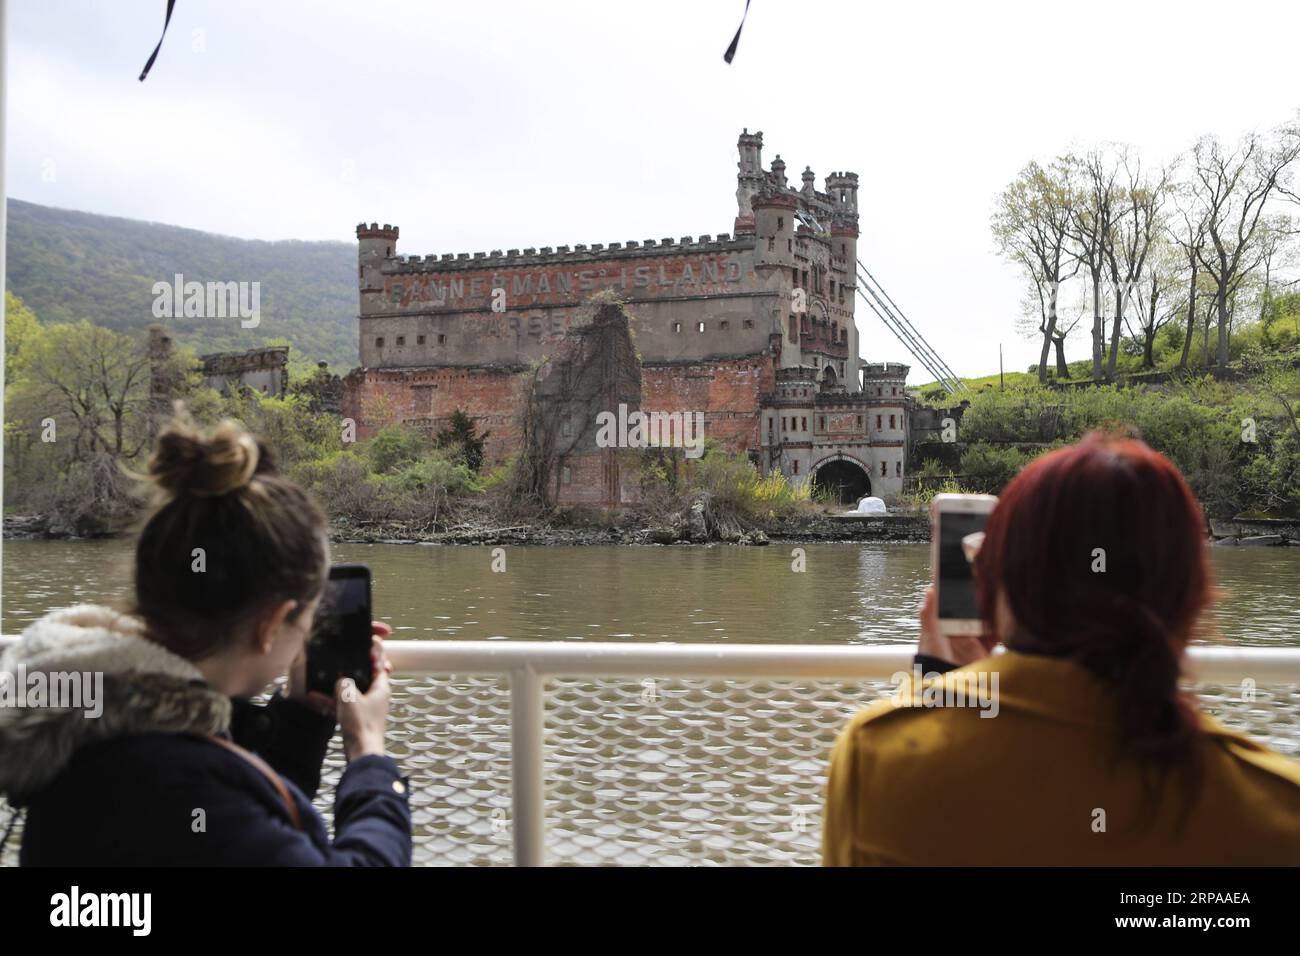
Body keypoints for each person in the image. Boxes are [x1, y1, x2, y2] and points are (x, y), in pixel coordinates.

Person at [822, 432, 1300, 865]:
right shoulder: (1276, 806)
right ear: (1193, 599)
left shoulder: (878, 760)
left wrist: (942, 692)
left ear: (997, 582)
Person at [0, 412, 412, 865]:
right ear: (272, 625)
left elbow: (240, 831)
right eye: (308, 622)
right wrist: (369, 753)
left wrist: (301, 716)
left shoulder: (93, 720)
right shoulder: (173, 779)